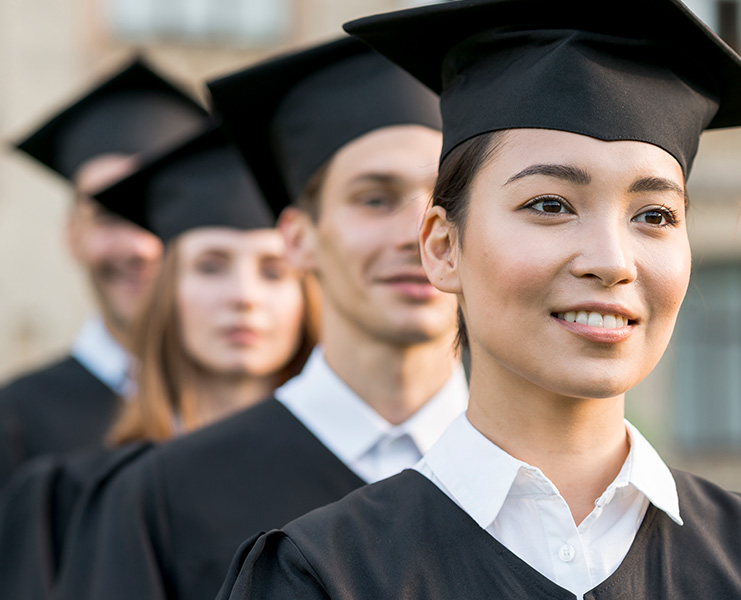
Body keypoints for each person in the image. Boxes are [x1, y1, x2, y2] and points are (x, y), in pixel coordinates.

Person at [216, 1, 741, 598]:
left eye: (655, 215)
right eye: (550, 205)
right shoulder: (323, 577)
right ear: (443, 248)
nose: (611, 261)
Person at [51, 37, 466, 600]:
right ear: (298, 238)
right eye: (374, 199)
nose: (418, 235)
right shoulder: (163, 498)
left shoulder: (569, 488)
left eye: (446, 199)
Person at [0, 123, 317, 600]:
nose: (244, 297)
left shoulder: (359, 482)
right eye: (210, 266)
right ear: (166, 293)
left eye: (274, 271)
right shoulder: (72, 496)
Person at [0, 57, 207, 598]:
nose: (141, 247)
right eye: (110, 216)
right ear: (71, 235)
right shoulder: (8, 423)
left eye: (159, 212)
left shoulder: (262, 408)